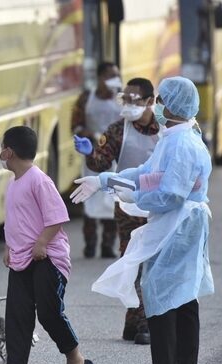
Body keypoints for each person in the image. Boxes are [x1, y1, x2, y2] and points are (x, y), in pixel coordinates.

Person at [72, 76, 213, 364]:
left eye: (161, 100)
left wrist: (136, 197)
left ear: (173, 105)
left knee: (162, 293)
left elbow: (169, 194)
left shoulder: (180, 142)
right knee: (181, 297)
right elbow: (147, 173)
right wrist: (107, 180)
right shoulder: (176, 137)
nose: (157, 106)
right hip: (178, 224)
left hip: (177, 224)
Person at [0, 126, 93, 364]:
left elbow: (57, 216)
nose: (0, 153)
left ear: (10, 151)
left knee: (48, 312)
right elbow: (17, 220)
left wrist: (42, 242)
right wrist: (9, 247)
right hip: (22, 258)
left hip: (47, 258)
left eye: (2, 148)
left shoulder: (38, 179)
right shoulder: (14, 181)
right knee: (17, 313)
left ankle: (76, 360)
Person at [74, 77, 160, 345]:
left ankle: (138, 323)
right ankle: (139, 321)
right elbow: (101, 164)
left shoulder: (165, 129)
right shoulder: (117, 130)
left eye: (135, 99)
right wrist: (90, 154)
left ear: (150, 102)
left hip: (158, 207)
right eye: (126, 98)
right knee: (133, 262)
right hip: (127, 208)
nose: (128, 104)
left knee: (153, 265)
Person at [71, 61, 121, 258]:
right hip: (92, 156)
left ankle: (108, 245)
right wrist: (91, 135)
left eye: (116, 75)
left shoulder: (120, 100)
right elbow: (75, 125)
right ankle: (90, 245)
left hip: (114, 157)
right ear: (100, 77)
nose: (113, 80)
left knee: (112, 199)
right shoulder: (86, 99)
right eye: (110, 75)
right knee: (90, 199)